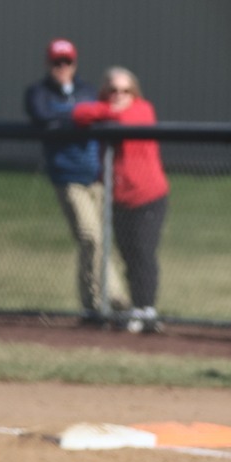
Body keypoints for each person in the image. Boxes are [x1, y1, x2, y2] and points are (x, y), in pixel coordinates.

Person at [23, 38, 123, 322]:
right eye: (57, 62)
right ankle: (98, 303)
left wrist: (77, 116)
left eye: (67, 62)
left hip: (96, 174)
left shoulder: (88, 89)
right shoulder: (38, 92)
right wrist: (81, 115)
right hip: (67, 175)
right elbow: (43, 117)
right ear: (48, 63)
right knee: (90, 236)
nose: (62, 67)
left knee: (101, 240)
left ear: (75, 63)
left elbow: (107, 116)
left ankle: (109, 302)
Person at [72, 67, 168, 334]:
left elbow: (126, 120)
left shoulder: (143, 109)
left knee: (144, 253)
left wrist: (104, 113)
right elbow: (78, 113)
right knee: (128, 255)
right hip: (119, 198)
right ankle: (138, 308)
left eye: (125, 90)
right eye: (113, 90)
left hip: (149, 195)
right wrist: (106, 111)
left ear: (134, 92)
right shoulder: (106, 109)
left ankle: (147, 309)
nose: (119, 95)